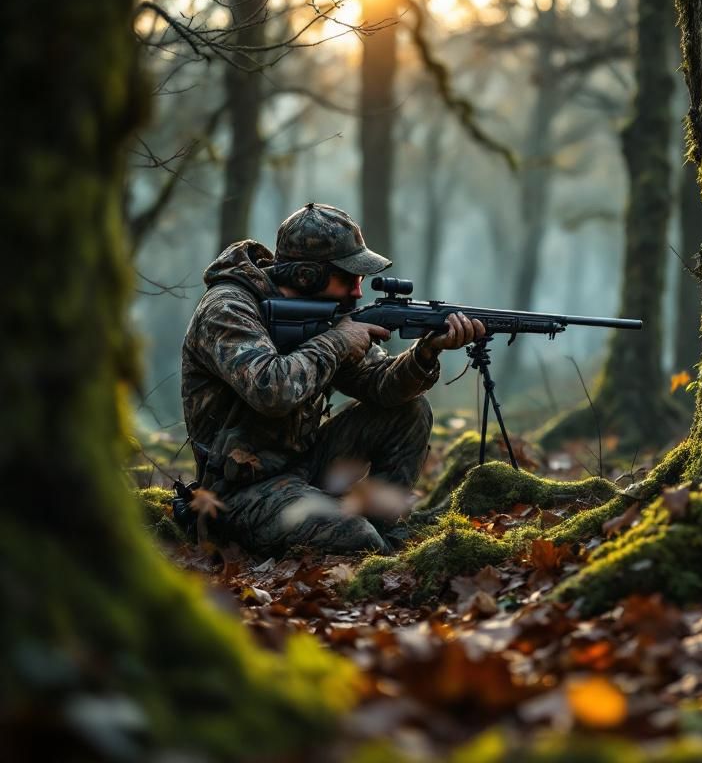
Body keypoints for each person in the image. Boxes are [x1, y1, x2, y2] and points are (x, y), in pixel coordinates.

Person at [180, 203, 485, 555]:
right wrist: (337, 341)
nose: (358, 292)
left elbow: (378, 385)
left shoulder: (328, 316)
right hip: (239, 489)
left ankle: (387, 534)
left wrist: (425, 353)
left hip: (305, 464)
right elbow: (270, 390)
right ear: (307, 275)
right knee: (357, 539)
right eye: (349, 278)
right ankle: (371, 544)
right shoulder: (228, 308)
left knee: (410, 409)